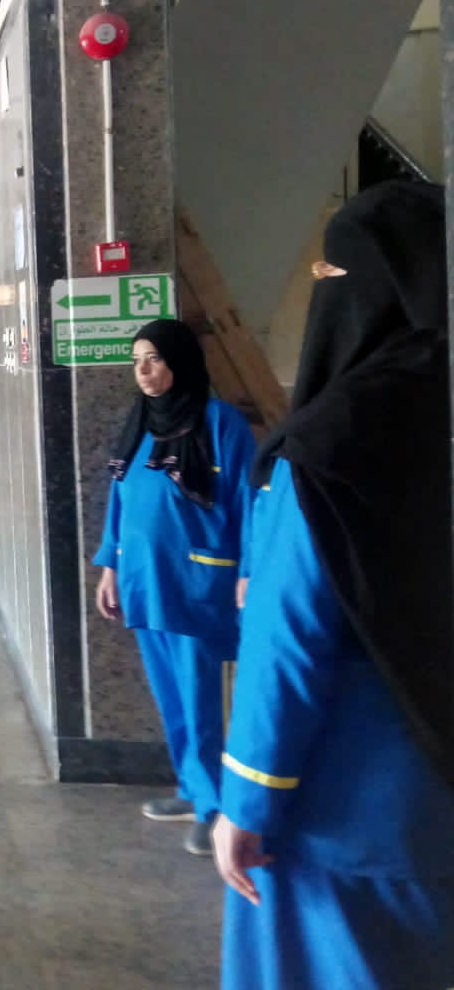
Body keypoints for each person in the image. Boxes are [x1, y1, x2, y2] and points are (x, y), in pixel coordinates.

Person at [214, 181, 454, 988]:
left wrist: (247, 802)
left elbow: (289, 640)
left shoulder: (332, 445)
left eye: (332, 273)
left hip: (351, 809)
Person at [93, 318, 255, 857]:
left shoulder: (219, 422)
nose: (143, 370)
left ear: (179, 362)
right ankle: (193, 789)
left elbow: (247, 500)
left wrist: (249, 569)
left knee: (201, 698)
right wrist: (110, 565)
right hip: (146, 581)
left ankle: (216, 808)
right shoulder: (140, 422)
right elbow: (120, 499)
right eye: (137, 360)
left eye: (155, 359)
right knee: (173, 698)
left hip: (195, 582)